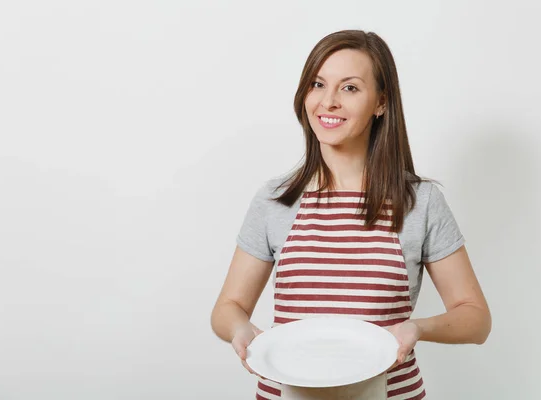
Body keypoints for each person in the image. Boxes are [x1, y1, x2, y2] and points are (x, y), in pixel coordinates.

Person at [210, 29, 492, 399]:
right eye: (318, 84)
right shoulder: (275, 200)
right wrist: (240, 330)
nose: (328, 102)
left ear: (381, 103)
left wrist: (417, 328)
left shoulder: (419, 202)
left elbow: (476, 319)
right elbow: (227, 307)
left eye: (350, 88)